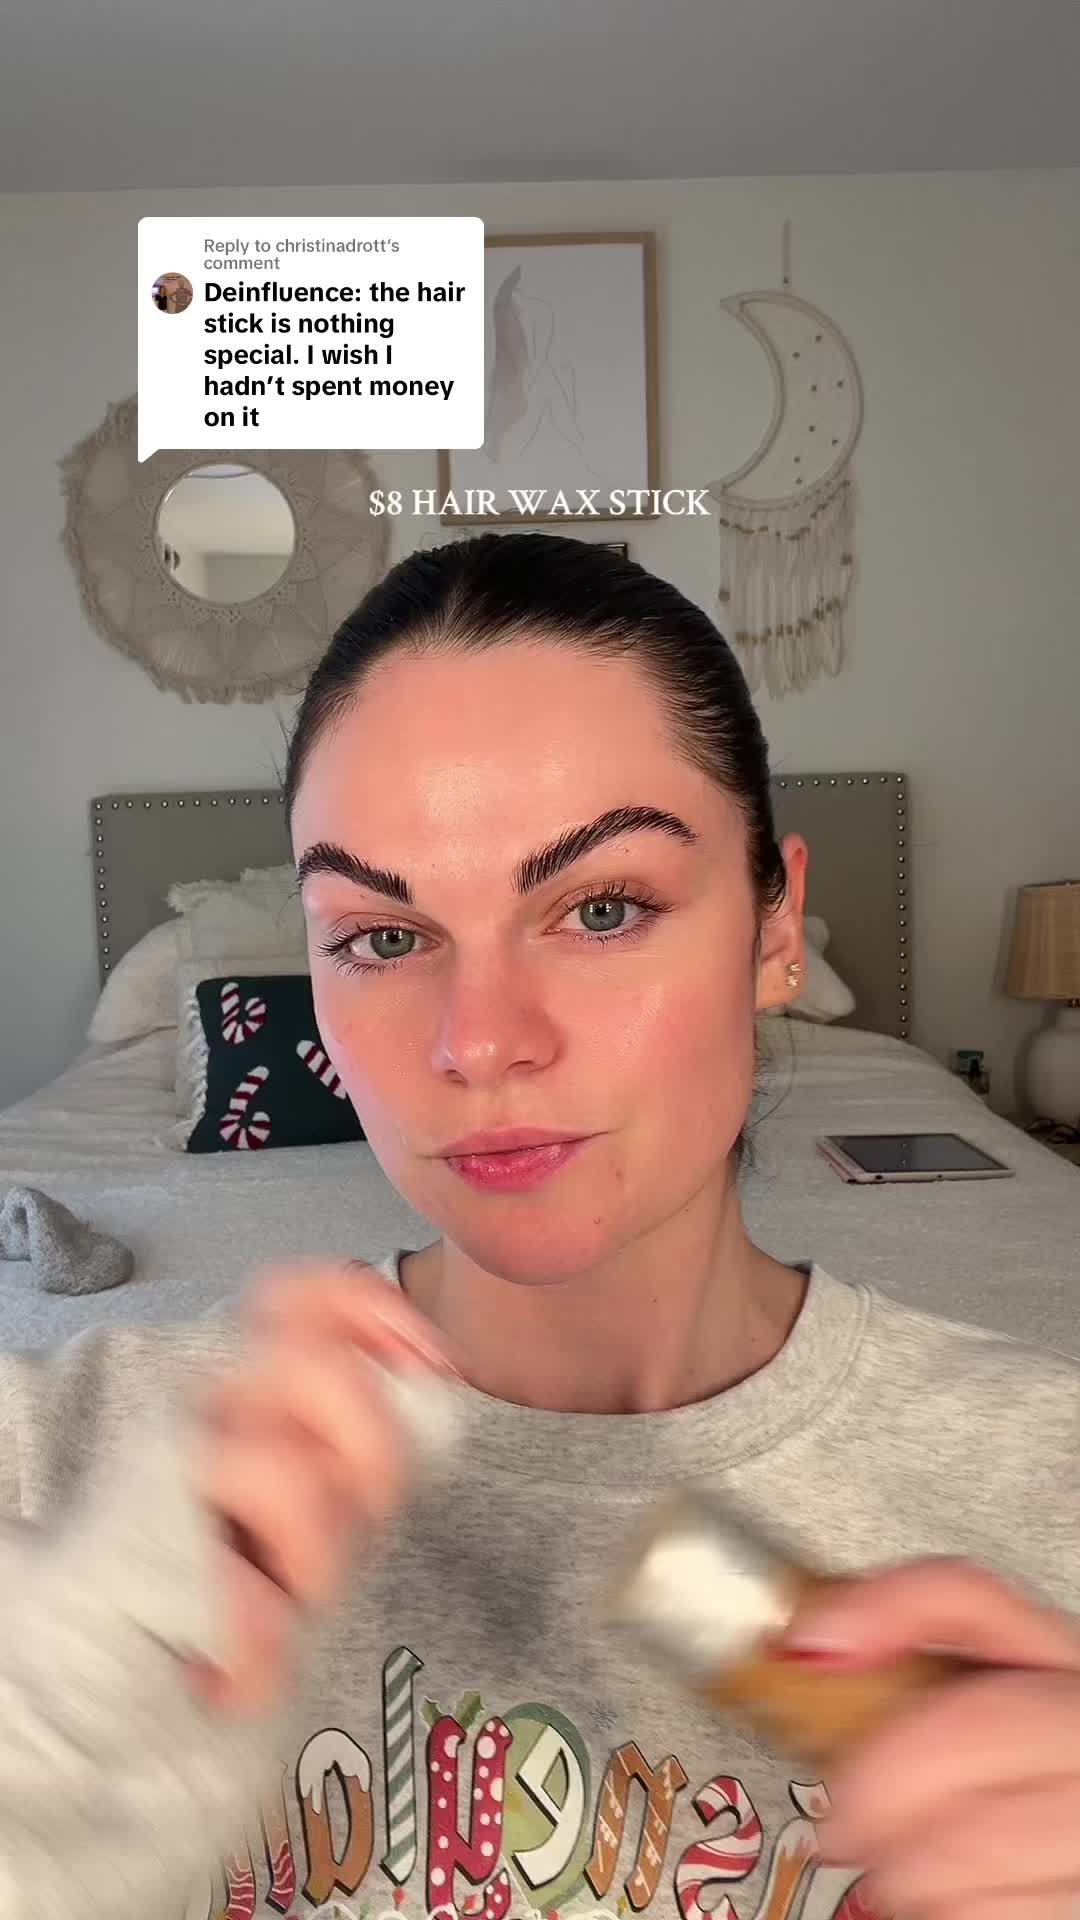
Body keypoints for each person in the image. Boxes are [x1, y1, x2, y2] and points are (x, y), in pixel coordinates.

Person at [5, 532, 1080, 1920]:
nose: (480, 1041)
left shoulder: (1048, 1482)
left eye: (604, 907)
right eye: (383, 938)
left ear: (775, 930)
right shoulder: (63, 1474)